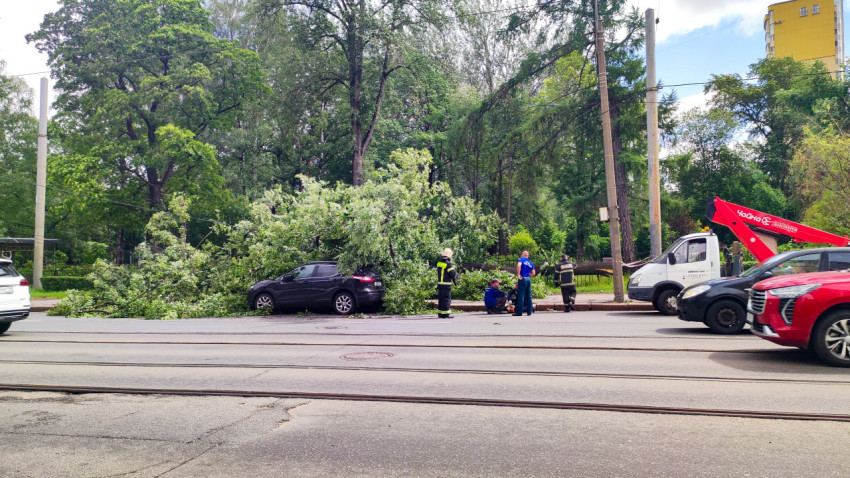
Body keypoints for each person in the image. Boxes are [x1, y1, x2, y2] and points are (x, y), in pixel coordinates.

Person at [435, 248, 458, 318]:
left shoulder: (439, 263)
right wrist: (457, 276)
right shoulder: (448, 264)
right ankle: (445, 314)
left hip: (440, 284)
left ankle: (440, 313)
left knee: (441, 299)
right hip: (446, 284)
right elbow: (453, 274)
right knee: (446, 299)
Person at [513, 250, 535, 316]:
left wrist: (518, 274)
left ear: (523, 255)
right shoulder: (530, 263)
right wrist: (528, 274)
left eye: (521, 254)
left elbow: (518, 266)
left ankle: (519, 312)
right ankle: (529, 311)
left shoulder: (521, 259)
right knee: (528, 296)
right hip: (528, 279)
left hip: (522, 279)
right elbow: (533, 273)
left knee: (521, 295)